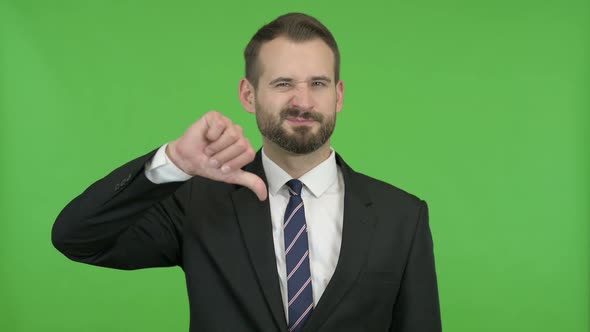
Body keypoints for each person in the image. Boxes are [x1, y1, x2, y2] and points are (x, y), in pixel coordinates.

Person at [52, 12, 441, 332]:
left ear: (338, 95)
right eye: (283, 83)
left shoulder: (402, 217)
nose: (302, 101)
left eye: (318, 84)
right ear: (248, 94)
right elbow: (78, 238)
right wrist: (172, 162)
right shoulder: (197, 202)